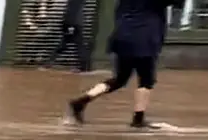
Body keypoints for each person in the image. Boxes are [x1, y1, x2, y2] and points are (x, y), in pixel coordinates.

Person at [67, 0, 183, 129]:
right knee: (146, 79)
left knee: (120, 78)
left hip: (123, 37)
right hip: (144, 39)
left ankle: (81, 101)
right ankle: (138, 119)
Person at [45, 0, 91, 72]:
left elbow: (72, 11)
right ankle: (49, 62)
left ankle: (83, 67)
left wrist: (68, 24)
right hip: (75, 23)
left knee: (77, 45)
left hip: (73, 24)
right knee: (67, 43)